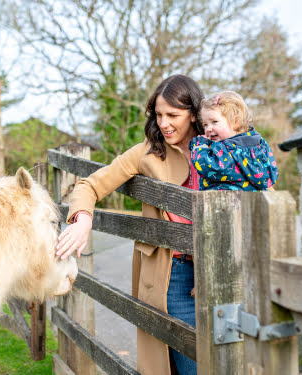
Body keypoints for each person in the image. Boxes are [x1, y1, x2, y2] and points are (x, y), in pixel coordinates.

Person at [55, 74, 202, 375]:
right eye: (159, 115)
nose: (163, 123)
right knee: (194, 365)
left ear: (194, 113)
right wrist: (83, 219)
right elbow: (90, 186)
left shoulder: (218, 147)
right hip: (170, 274)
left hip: (212, 272)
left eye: (173, 115)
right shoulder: (146, 152)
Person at [189, 91, 279, 191]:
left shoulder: (227, 148)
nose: (209, 129)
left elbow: (208, 168)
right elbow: (271, 172)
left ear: (236, 121)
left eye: (214, 122)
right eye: (205, 124)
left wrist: (200, 146)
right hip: (252, 201)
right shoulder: (259, 144)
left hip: (226, 201)